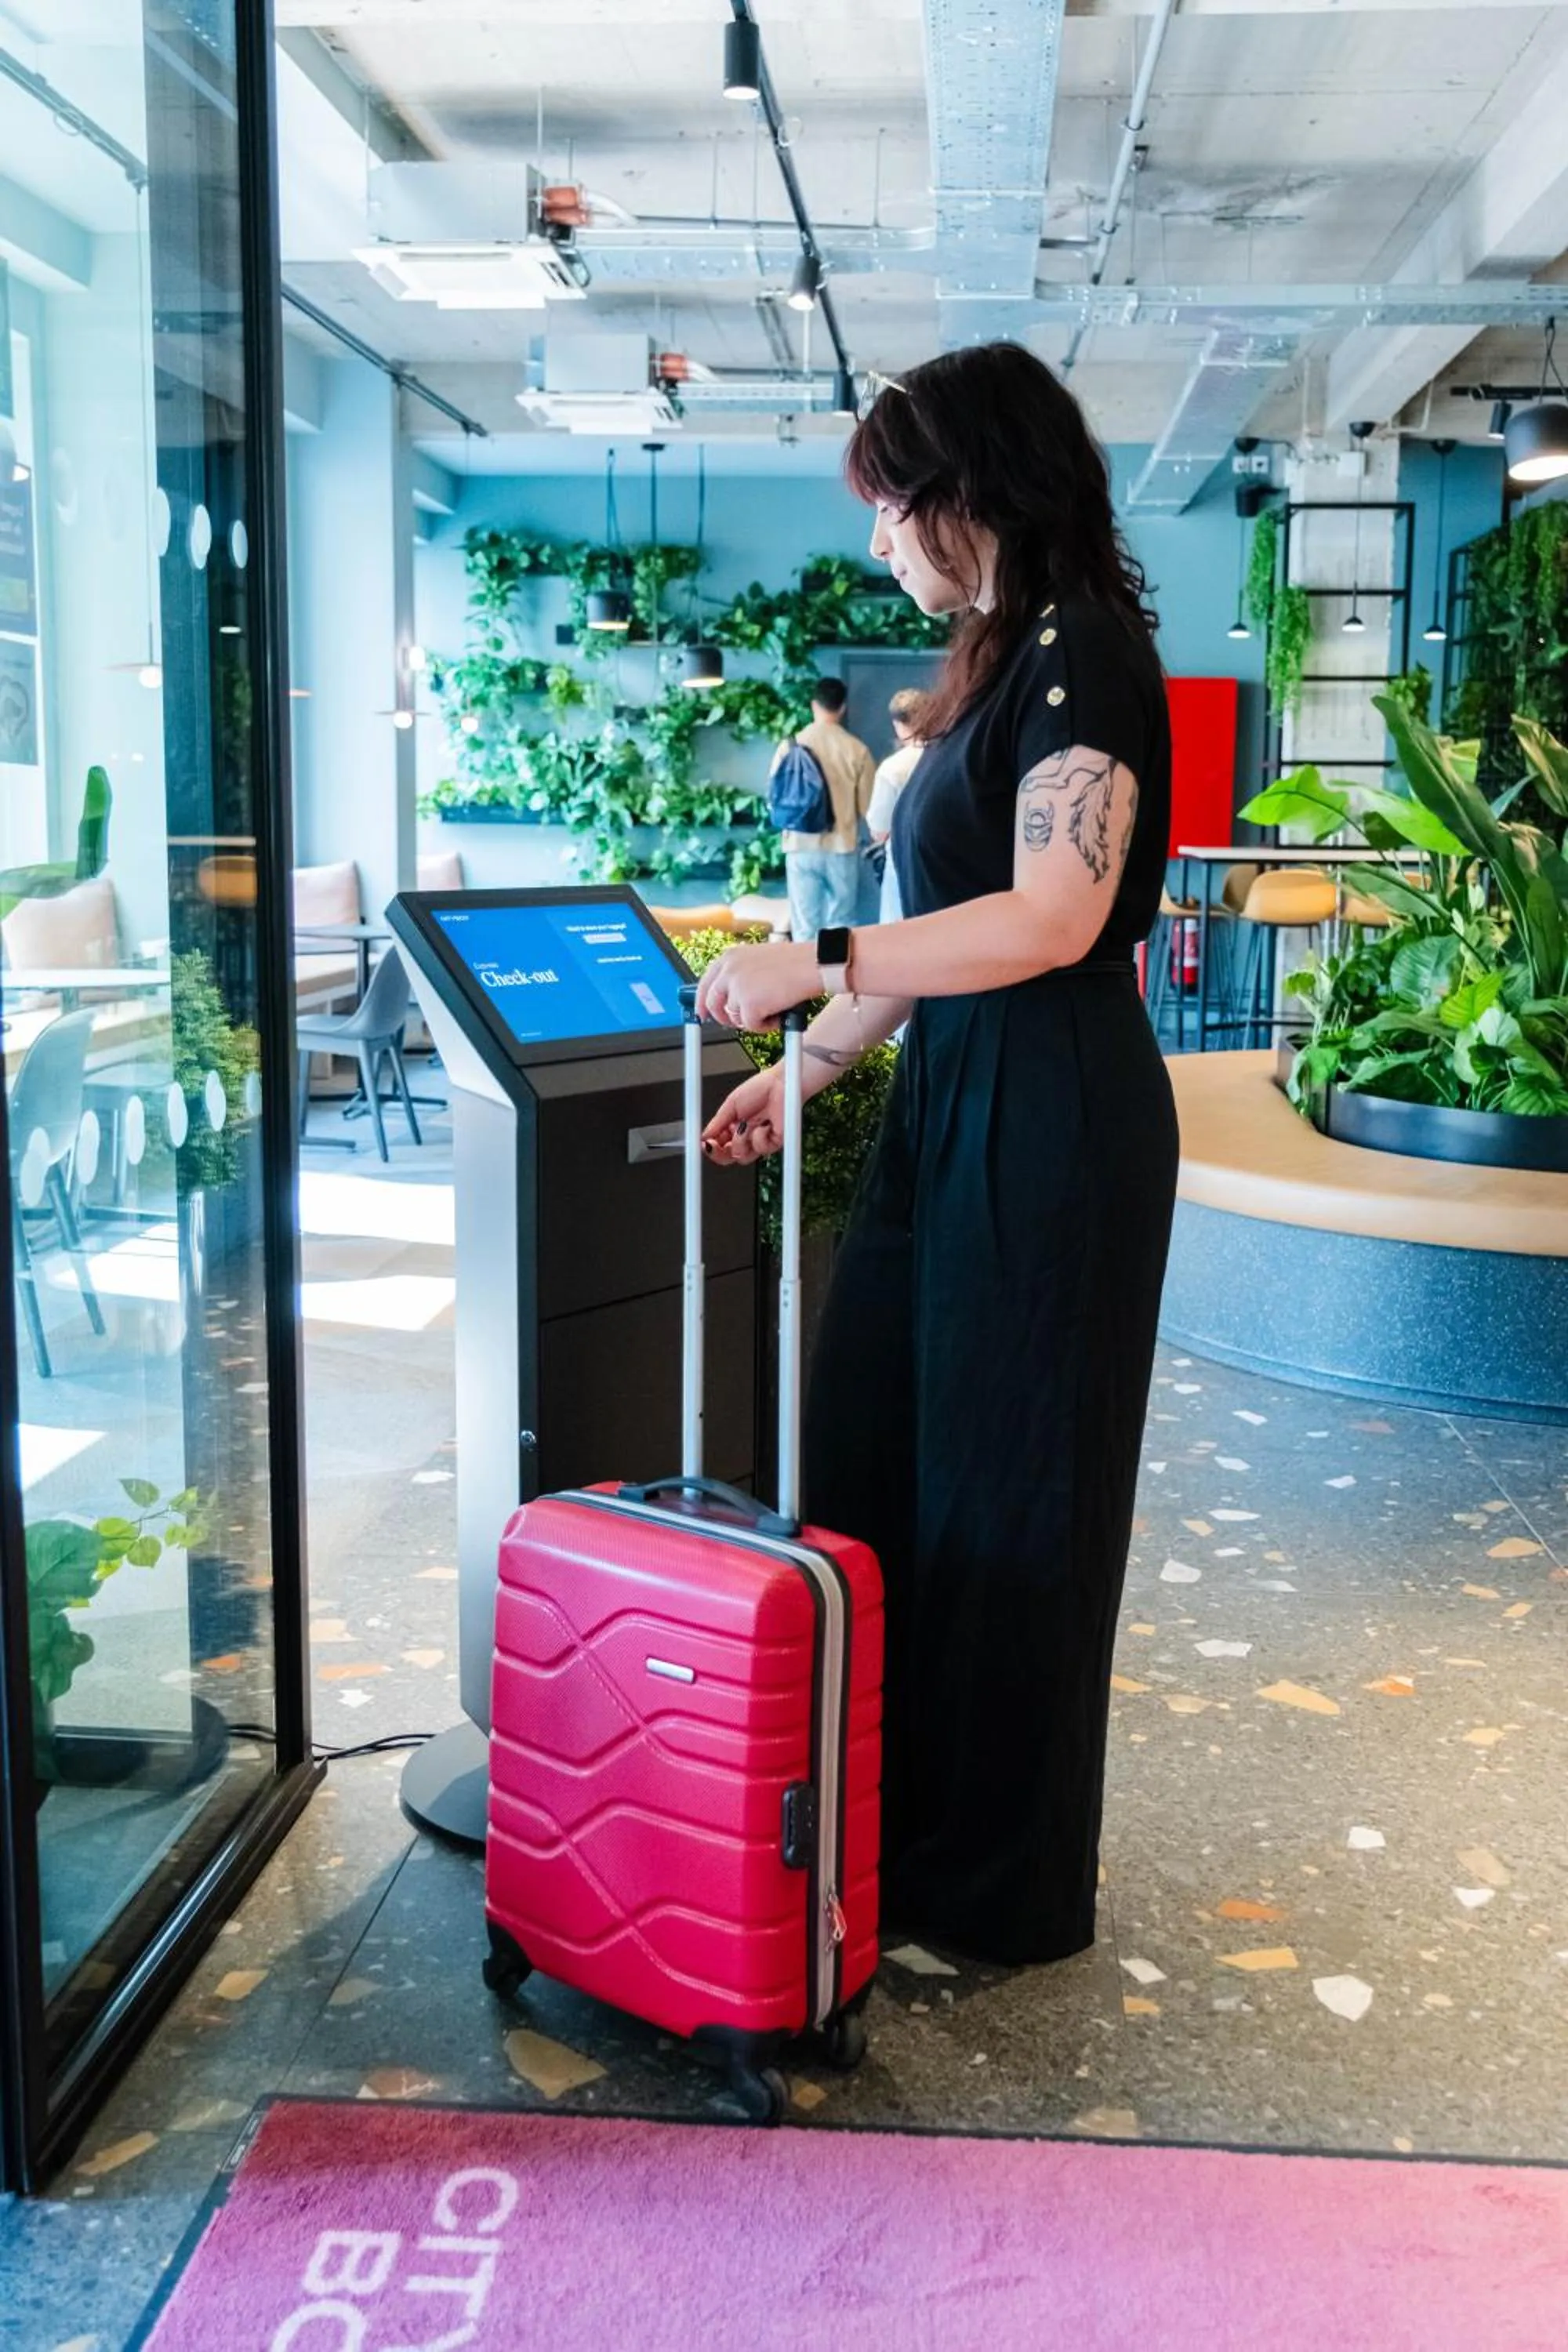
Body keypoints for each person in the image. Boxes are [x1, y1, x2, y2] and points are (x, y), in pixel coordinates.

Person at [696, 342, 1178, 1969]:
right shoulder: (994, 662)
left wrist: (815, 962)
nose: (881, 541)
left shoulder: (1084, 658)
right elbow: (934, 932)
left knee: (1013, 1498)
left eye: (895, 504)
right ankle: (893, 1833)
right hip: (953, 1104)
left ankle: (996, 1893)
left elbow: (1054, 916)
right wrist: (819, 1068)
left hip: (1053, 1125)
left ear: (976, 488)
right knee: (879, 1461)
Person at [773, 676, 877, 941]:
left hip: (800, 844)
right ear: (842, 708)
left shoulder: (790, 746)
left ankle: (807, 982)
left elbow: (774, 796)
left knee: (805, 926)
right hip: (841, 847)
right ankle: (836, 981)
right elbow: (870, 806)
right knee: (841, 925)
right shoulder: (857, 750)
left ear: (813, 705)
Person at [866, 687, 927, 922]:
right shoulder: (952, 756)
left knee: (898, 932)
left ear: (898, 725)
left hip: (903, 863)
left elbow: (880, 830)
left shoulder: (893, 768)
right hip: (951, 863)